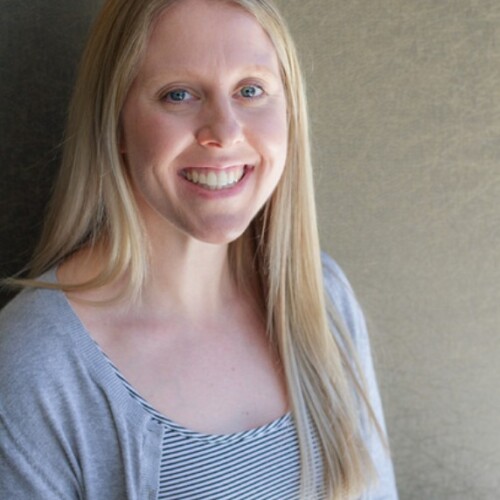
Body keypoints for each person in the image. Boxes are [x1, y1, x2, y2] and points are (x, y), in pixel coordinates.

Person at [0, 0, 398, 498]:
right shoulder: (34, 367)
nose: (226, 132)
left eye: (250, 90)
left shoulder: (322, 297)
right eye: (179, 94)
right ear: (115, 122)